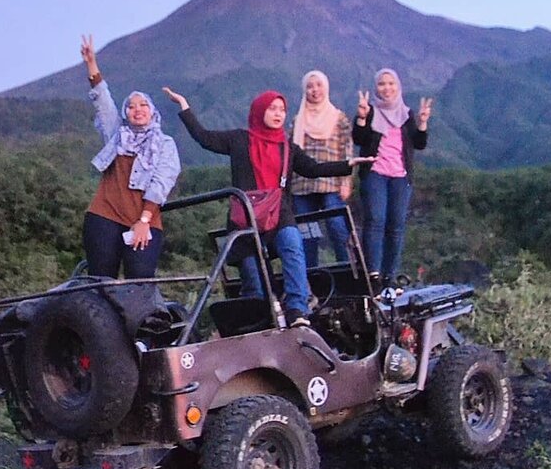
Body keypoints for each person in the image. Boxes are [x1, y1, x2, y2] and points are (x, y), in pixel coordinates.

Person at [162, 85, 369, 328]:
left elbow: (313, 169)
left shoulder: (287, 147)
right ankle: (263, 324)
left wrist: (347, 164)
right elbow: (204, 138)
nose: (278, 114)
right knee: (254, 282)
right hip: (246, 218)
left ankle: (297, 309)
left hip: (279, 214)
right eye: (272, 109)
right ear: (260, 111)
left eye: (282, 109)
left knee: (293, 246)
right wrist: (185, 107)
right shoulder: (240, 140)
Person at [81, 35, 180, 279]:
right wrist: (91, 64)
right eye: (132, 106)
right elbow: (103, 102)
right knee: (100, 282)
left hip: (144, 220)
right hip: (104, 215)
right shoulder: (117, 134)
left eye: (143, 105)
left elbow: (161, 183)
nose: (137, 110)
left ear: (152, 111)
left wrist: (144, 219)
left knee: (140, 281)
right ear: (126, 113)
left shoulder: (165, 144)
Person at [352, 68, 433, 284]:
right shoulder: (369, 111)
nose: (386, 88)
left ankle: (390, 274)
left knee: (396, 225)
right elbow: (358, 139)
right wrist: (361, 118)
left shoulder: (406, 115)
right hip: (375, 173)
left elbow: (419, 143)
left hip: (400, 176)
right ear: (376, 88)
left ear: (398, 87)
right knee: (375, 220)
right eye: (381, 84)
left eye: (391, 84)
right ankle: (373, 272)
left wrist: (423, 122)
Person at [290, 70, 353, 268]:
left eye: (318, 85)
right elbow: (289, 153)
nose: (314, 90)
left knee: (337, 227)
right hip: (302, 185)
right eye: (309, 86)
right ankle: (311, 278)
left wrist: (346, 182)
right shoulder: (297, 120)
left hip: (331, 183)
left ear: (326, 87)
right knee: (308, 234)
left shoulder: (339, 118)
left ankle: (348, 271)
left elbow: (347, 151)